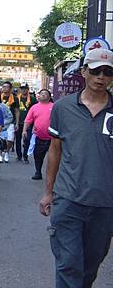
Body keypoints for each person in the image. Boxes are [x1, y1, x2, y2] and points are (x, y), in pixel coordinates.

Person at [39, 48, 113, 288]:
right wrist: (49, 192)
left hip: (105, 204)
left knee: (89, 269)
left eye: (108, 72)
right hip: (68, 199)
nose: (101, 77)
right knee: (69, 264)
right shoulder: (63, 108)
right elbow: (55, 151)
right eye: (95, 71)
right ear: (84, 72)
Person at [23, 89, 53, 180]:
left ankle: (52, 175)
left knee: (53, 157)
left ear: (49, 96)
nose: (43, 95)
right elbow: (28, 120)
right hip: (39, 136)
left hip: (53, 137)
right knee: (38, 155)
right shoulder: (34, 107)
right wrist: (24, 130)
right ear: (38, 96)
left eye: (45, 94)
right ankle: (38, 172)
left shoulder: (54, 106)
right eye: (42, 94)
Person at [16, 84, 37, 163]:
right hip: (19, 121)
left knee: (27, 139)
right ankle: (19, 155)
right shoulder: (16, 98)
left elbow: (35, 110)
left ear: (28, 89)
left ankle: (25, 156)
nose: (23, 90)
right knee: (18, 139)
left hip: (29, 122)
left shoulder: (32, 99)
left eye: (25, 89)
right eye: (22, 89)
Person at [0, 81, 19, 163]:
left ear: (10, 88)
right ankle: (0, 154)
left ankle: (7, 152)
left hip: (10, 121)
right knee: (0, 138)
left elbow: (17, 110)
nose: (5, 88)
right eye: (3, 86)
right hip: (0, 121)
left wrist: (17, 123)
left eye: (7, 87)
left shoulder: (15, 98)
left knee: (10, 138)